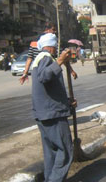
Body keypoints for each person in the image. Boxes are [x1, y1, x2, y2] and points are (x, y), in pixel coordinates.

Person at [31, 33, 75, 182]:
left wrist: (67, 102)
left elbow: (49, 89)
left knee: (51, 153)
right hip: (53, 114)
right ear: (50, 46)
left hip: (45, 112)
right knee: (66, 150)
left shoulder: (39, 58)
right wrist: (60, 61)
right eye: (55, 47)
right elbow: (44, 77)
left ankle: (50, 179)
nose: (56, 49)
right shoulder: (46, 58)